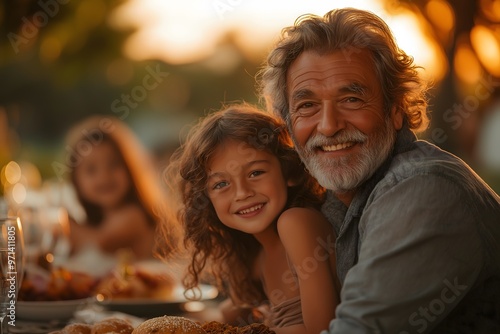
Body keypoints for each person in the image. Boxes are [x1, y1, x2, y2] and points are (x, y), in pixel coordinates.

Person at [257, 7, 500, 333]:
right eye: (307, 106)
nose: (328, 127)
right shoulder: (336, 200)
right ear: (289, 124)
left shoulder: (422, 191)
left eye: (352, 99)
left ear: (396, 110)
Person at [162, 104, 340, 333]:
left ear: (289, 171)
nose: (242, 193)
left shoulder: (295, 224)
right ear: (207, 200)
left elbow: (322, 330)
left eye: (255, 173)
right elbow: (234, 308)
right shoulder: (258, 257)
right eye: (221, 184)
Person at [63, 115, 176, 262]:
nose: (104, 176)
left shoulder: (133, 216)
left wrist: (62, 222)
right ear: (76, 180)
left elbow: (102, 243)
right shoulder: (96, 222)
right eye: (91, 169)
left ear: (130, 169)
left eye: (114, 164)